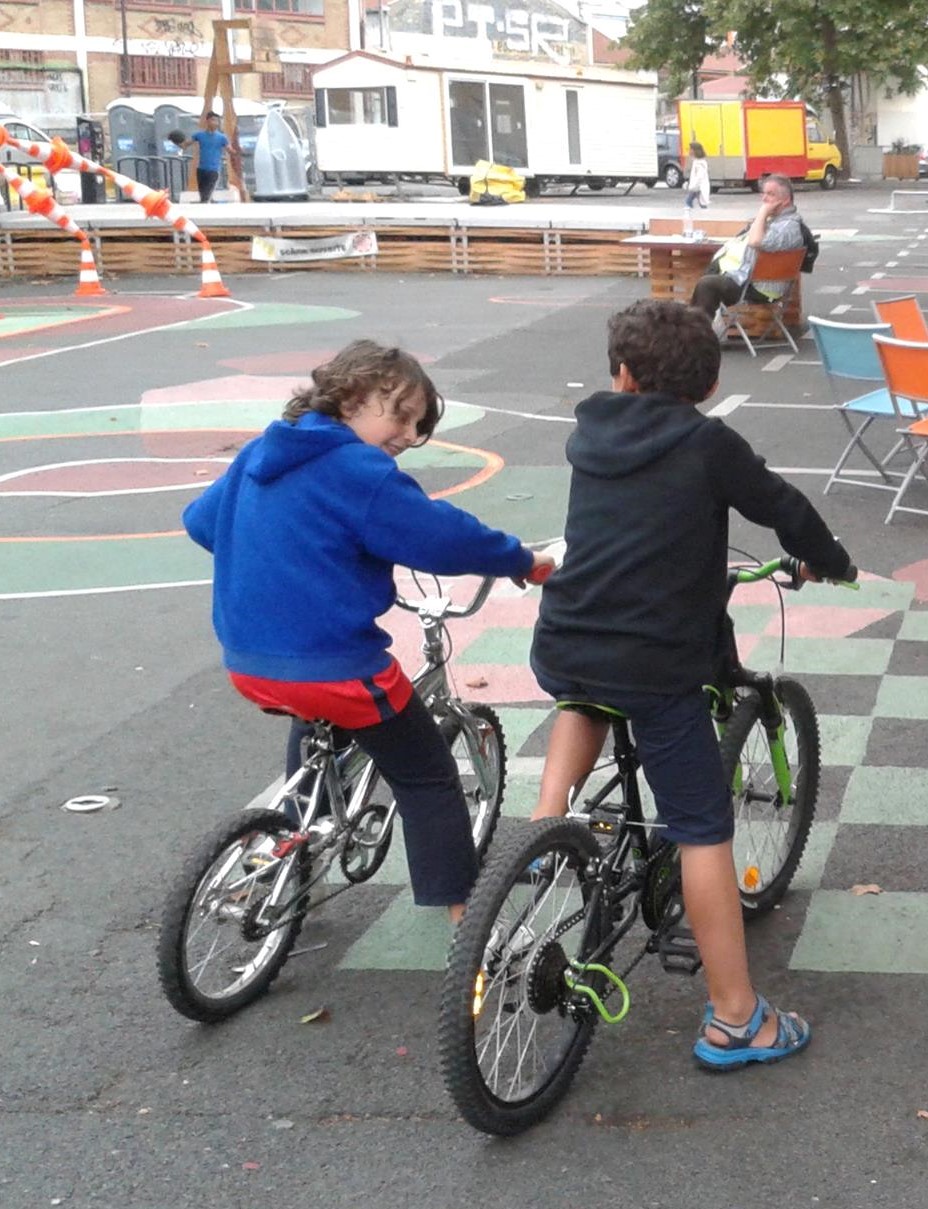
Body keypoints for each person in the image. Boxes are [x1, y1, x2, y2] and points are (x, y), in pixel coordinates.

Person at [529, 299, 852, 1071]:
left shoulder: (590, 434)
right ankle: (737, 1018)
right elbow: (785, 509)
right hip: (658, 664)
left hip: (566, 637)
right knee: (701, 828)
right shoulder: (708, 444)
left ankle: (544, 832)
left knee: (587, 694)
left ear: (623, 373)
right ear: (706, 386)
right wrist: (829, 558)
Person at [183, 340, 553, 925]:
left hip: (248, 658)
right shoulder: (361, 472)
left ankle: (294, 853)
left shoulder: (260, 451)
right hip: (337, 665)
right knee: (426, 773)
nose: (407, 434)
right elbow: (440, 536)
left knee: (316, 725)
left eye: (418, 426)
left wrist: (283, 551)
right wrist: (518, 559)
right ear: (352, 396)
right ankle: (465, 913)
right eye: (400, 414)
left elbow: (202, 523)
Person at [690, 173, 803, 338]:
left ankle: (699, 335)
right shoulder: (776, 221)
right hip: (750, 279)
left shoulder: (788, 227)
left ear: (785, 200)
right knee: (713, 271)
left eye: (770, 194)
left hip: (761, 288)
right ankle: (698, 328)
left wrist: (762, 213)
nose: (764, 199)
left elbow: (755, 242)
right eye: (763, 193)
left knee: (707, 284)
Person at [181, 112, 230, 203]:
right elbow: (185, 145)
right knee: (203, 194)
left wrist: (238, 152)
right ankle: (207, 209)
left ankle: (205, 210)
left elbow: (230, 150)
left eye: (217, 121)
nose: (216, 123)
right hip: (201, 169)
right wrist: (178, 141)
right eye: (213, 120)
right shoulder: (199, 135)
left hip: (213, 170)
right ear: (207, 121)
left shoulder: (222, 137)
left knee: (206, 195)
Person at [684, 141, 710, 212]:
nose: (688, 151)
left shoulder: (700, 163)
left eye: (690, 149)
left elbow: (699, 177)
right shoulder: (696, 161)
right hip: (696, 188)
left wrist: (692, 186)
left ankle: (690, 217)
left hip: (698, 188)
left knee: (689, 204)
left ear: (694, 151)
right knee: (692, 204)